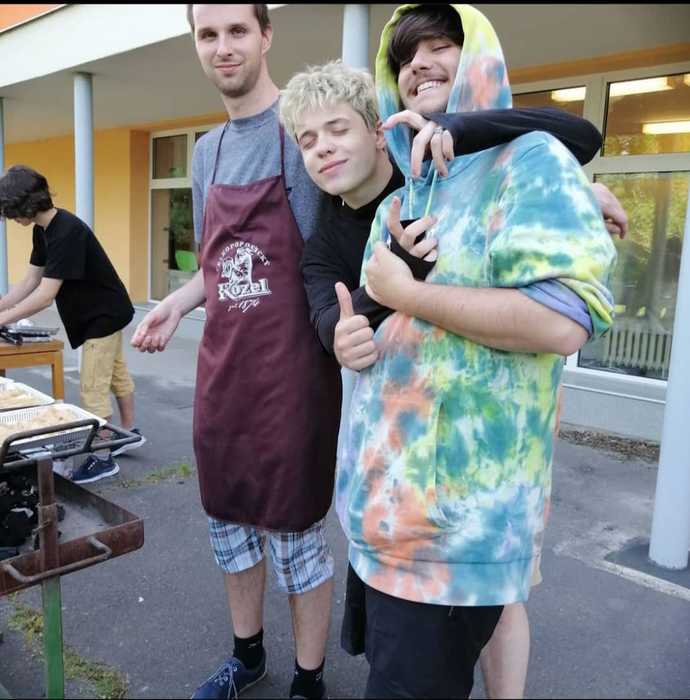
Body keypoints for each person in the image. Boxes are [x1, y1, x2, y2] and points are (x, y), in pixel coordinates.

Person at [279, 56, 627, 699]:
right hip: (404, 484)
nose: (322, 147)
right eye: (307, 139)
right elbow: (330, 313)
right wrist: (347, 331)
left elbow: (575, 134)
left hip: (490, 467)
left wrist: (580, 193)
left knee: (504, 597)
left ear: (379, 130)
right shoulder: (327, 234)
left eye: (338, 129)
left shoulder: (441, 172)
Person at [131, 5, 341, 699]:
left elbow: (337, 244)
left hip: (294, 376)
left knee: (297, 537)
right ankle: (246, 657)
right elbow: (218, 266)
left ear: (266, 35)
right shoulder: (207, 152)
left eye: (238, 31)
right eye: (209, 34)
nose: (223, 47)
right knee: (229, 524)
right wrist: (177, 302)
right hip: (223, 375)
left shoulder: (302, 131)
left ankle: (309, 680)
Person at [0, 165, 146, 484]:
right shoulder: (43, 230)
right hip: (103, 309)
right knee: (115, 374)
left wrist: (3, 319)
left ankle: (103, 459)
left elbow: (45, 296)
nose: (10, 218)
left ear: (24, 204)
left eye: (10, 211)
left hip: (101, 315)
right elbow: (30, 281)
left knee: (92, 387)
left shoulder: (66, 231)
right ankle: (128, 432)